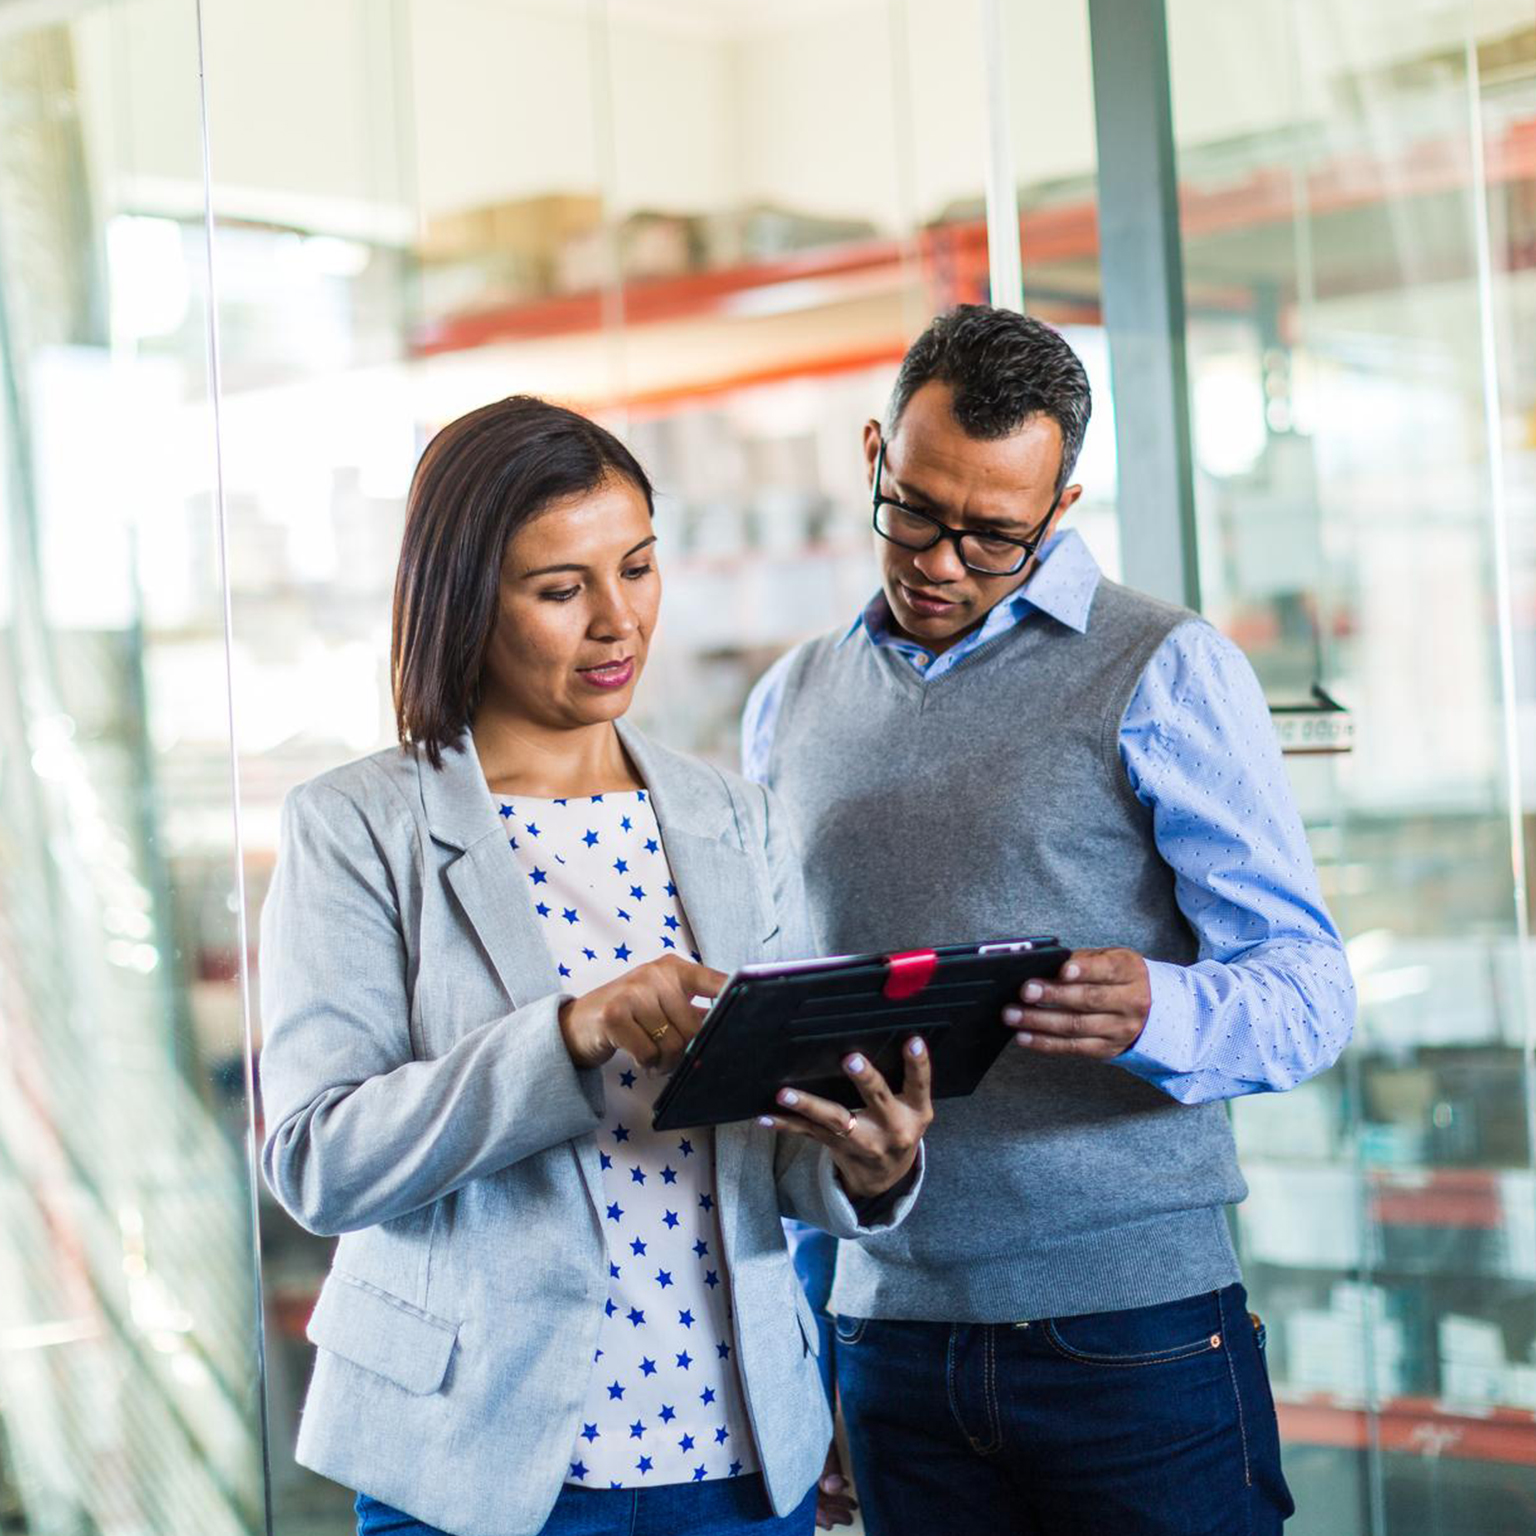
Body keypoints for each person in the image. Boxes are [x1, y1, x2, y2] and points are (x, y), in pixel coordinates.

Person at [258, 396, 933, 1536]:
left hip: (733, 1453)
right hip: (477, 1462)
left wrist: (868, 1165)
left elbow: (775, 1152)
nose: (618, 622)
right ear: (467, 598)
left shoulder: (736, 818)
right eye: (561, 589)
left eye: (638, 568)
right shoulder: (356, 827)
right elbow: (319, 1162)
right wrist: (569, 1033)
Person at [743, 306, 1357, 1535]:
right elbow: (800, 1047)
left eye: (994, 535)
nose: (941, 562)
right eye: (914, 510)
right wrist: (808, 1342)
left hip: (1134, 1344)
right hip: (886, 1339)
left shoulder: (1163, 668)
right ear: (874, 454)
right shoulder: (791, 700)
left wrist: (1160, 1008)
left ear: (1062, 507)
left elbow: (1311, 993)